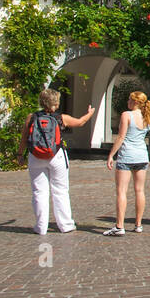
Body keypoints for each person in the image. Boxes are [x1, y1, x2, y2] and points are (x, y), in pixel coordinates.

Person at [20, 88, 95, 235]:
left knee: (39, 192)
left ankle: (41, 227)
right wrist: (90, 113)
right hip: (56, 156)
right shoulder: (61, 118)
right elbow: (80, 122)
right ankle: (66, 225)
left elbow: (24, 138)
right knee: (60, 190)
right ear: (56, 102)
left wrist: (19, 155)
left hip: (35, 156)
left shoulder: (32, 117)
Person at [104, 91, 150, 236]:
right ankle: (138, 224)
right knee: (139, 190)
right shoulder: (147, 116)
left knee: (121, 191)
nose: (128, 102)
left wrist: (111, 155)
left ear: (135, 102)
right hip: (142, 156)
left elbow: (120, 137)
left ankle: (120, 226)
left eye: (130, 100)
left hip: (127, 156)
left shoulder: (127, 115)